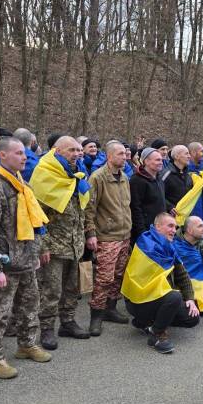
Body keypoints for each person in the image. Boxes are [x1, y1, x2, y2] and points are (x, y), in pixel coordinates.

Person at [0, 137, 50, 377]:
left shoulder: (22, 184)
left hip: (26, 259)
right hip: (6, 264)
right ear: (3, 155)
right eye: (18, 153)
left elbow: (34, 222)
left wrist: (36, 252)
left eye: (24, 153)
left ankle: (27, 344)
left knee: (30, 306)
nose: (24, 157)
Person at [30, 136, 91, 349]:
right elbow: (36, 216)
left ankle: (68, 321)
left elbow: (83, 210)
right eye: (71, 150)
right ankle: (46, 328)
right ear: (57, 151)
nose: (77, 154)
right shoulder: (44, 175)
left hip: (74, 244)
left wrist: (87, 234)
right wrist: (42, 246)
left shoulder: (76, 175)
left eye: (78, 150)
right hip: (53, 246)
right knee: (51, 290)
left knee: (72, 288)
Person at [121, 213, 200, 354]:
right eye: (170, 226)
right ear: (157, 227)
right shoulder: (145, 244)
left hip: (161, 297)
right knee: (174, 297)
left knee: (192, 317)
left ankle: (147, 323)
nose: (174, 230)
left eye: (175, 227)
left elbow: (182, 275)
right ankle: (157, 334)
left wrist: (190, 299)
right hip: (138, 301)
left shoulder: (169, 248)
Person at [85, 141, 133, 336]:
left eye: (125, 153)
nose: (125, 157)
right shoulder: (98, 178)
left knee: (119, 275)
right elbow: (89, 208)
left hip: (124, 234)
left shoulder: (124, 178)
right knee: (104, 277)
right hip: (107, 236)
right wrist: (91, 234)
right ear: (110, 156)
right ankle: (96, 315)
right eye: (121, 154)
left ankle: (110, 309)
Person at [174, 216, 203, 318]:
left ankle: (200, 306)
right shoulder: (175, 244)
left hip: (195, 280)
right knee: (189, 318)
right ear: (190, 230)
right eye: (200, 226)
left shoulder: (200, 243)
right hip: (180, 283)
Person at [129, 147, 167, 243]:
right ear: (146, 161)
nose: (161, 162)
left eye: (161, 160)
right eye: (157, 160)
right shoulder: (137, 180)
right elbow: (135, 208)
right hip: (145, 232)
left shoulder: (159, 179)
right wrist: (142, 232)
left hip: (160, 229)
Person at [163, 144, 193, 212]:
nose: (189, 156)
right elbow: (159, 194)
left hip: (186, 214)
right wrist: (169, 207)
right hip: (170, 216)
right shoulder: (166, 174)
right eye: (186, 154)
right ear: (177, 156)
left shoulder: (188, 175)